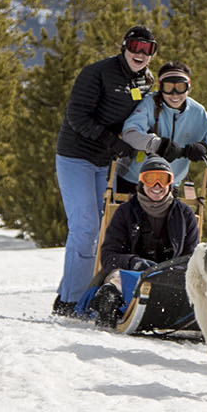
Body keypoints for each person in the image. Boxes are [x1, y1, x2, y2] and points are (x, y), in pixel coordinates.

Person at [53, 24, 158, 315]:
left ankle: (74, 291)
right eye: (136, 46)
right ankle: (70, 302)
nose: (140, 53)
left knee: (103, 231)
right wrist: (111, 141)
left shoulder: (145, 81)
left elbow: (145, 117)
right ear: (124, 46)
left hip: (107, 162)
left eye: (148, 49)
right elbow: (76, 116)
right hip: (76, 156)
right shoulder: (97, 73)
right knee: (85, 227)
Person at [88, 153, 200, 325]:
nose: (157, 186)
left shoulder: (185, 215)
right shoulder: (125, 212)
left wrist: (170, 270)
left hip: (171, 277)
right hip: (131, 273)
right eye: (150, 179)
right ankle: (108, 304)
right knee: (117, 278)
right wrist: (134, 262)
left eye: (162, 179)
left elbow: (192, 257)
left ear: (170, 183)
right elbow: (108, 255)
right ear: (141, 182)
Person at [118, 60, 207, 190]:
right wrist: (157, 145)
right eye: (168, 87)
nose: (175, 94)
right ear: (160, 87)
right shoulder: (149, 104)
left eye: (181, 87)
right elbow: (130, 134)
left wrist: (204, 149)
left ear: (189, 87)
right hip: (136, 179)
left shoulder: (197, 112)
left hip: (169, 183)